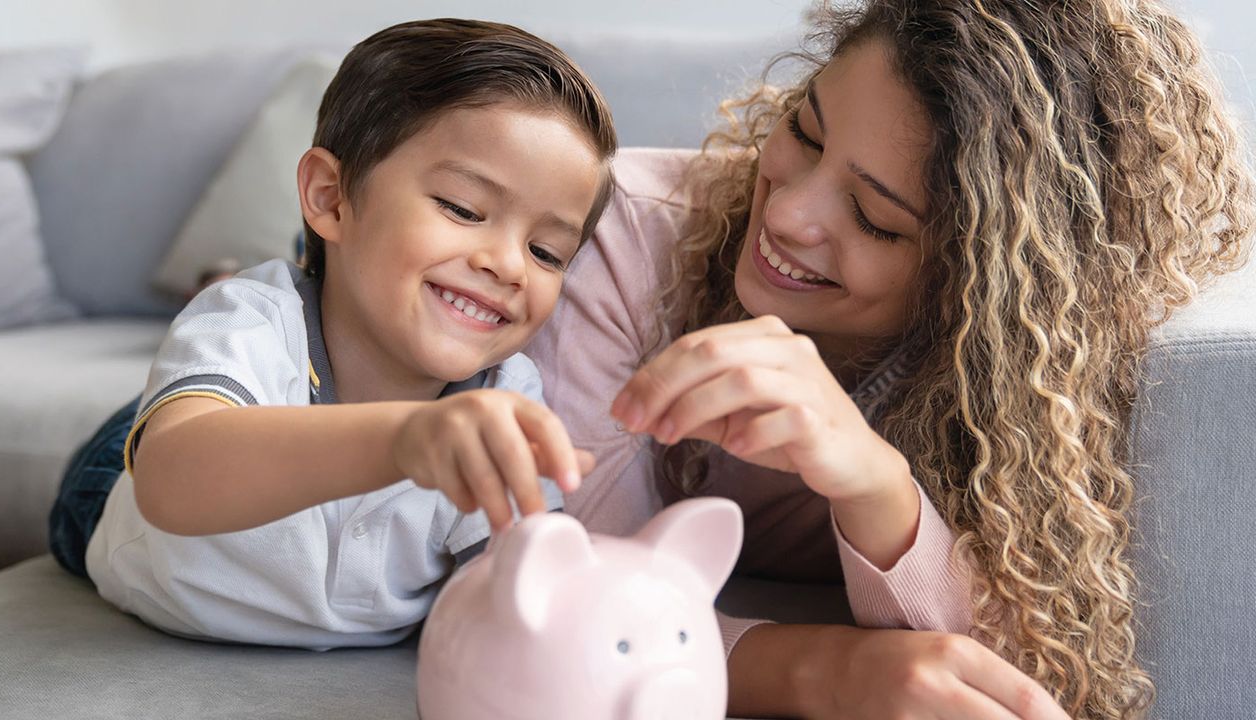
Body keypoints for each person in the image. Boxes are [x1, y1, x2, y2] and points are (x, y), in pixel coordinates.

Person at [525, 0, 1254, 718]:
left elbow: (1028, 656)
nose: (783, 214)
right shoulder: (618, 240)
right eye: (806, 134)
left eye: (874, 220)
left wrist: (875, 483)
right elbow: (579, 615)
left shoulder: (1024, 379)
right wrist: (827, 671)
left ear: (976, 278)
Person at [54, 18, 617, 649]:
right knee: (207, 355)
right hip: (122, 490)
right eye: (462, 209)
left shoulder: (507, 398)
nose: (508, 264)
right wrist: (405, 440)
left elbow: (519, 600)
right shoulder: (253, 322)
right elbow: (168, 478)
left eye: (546, 252)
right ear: (329, 195)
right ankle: (222, 315)